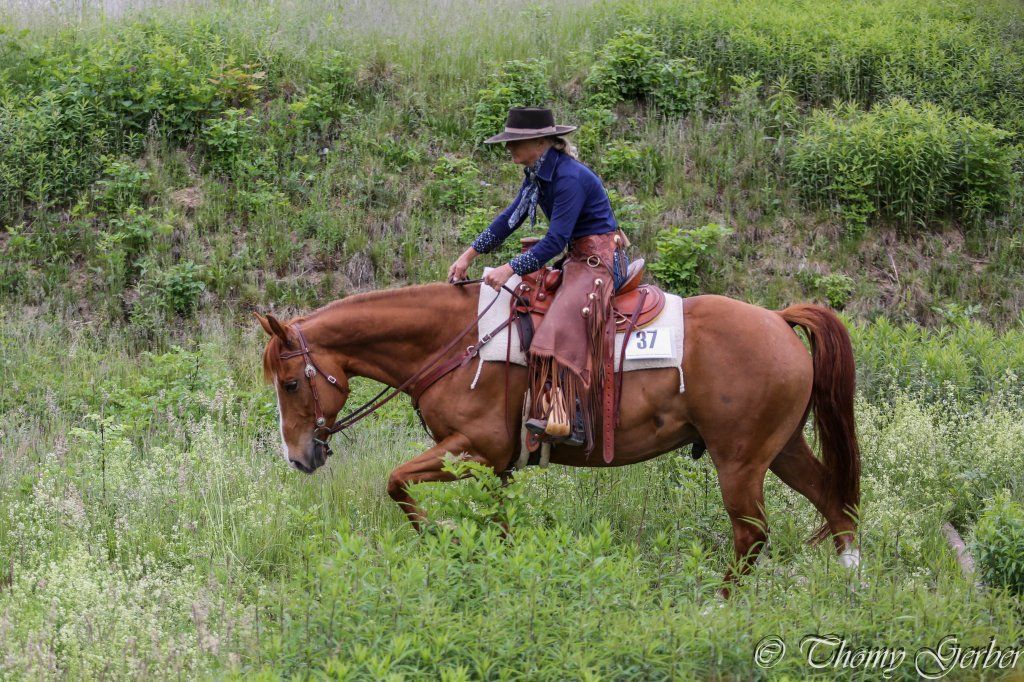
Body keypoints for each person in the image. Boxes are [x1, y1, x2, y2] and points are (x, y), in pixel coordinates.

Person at [447, 106, 629, 454]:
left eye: (517, 141)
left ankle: (571, 415)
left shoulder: (568, 178)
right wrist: (470, 253)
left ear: (542, 141)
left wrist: (509, 268)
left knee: (560, 321)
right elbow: (509, 219)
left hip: (598, 260)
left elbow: (555, 240)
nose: (509, 148)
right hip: (577, 257)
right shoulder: (537, 175)